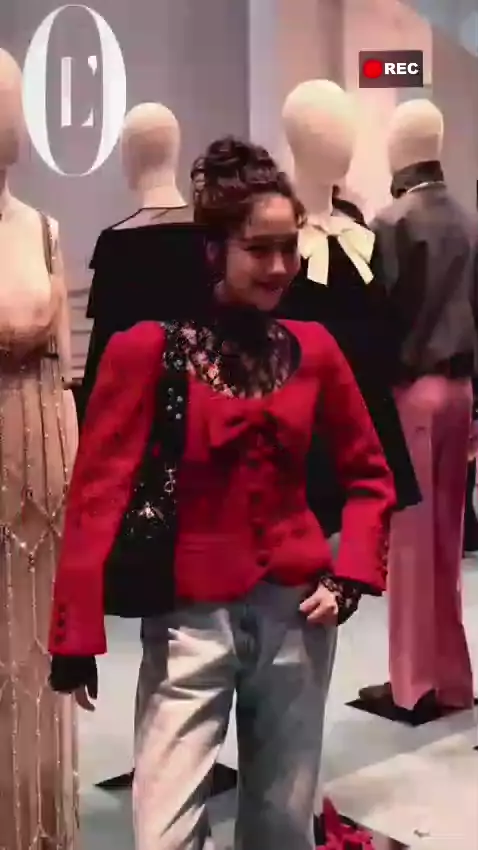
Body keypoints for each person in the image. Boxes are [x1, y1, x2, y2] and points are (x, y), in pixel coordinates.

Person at [48, 137, 395, 850]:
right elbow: (96, 496)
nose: (279, 266)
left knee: (280, 827)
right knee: (164, 831)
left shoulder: (314, 349)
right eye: (258, 249)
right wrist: (75, 636)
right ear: (215, 251)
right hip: (188, 618)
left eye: (288, 246)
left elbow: (370, 475)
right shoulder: (147, 351)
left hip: (298, 615)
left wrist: (352, 574)